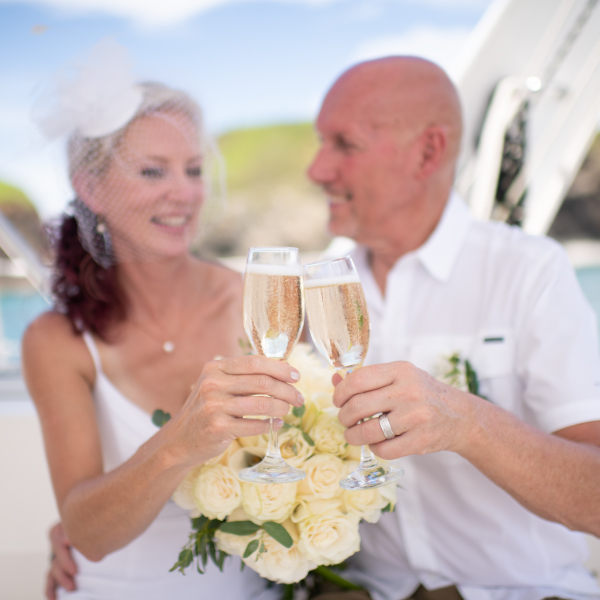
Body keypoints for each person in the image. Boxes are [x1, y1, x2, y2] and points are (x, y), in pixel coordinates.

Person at [306, 56, 600, 600]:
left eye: (344, 145)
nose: (317, 170)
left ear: (428, 152)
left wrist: (466, 422)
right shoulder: (314, 291)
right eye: (320, 143)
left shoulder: (529, 269)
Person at [23, 75, 303, 599]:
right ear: (90, 187)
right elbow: (87, 532)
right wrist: (179, 443)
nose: (185, 192)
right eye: (153, 171)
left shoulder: (258, 304)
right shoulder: (56, 340)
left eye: (194, 170)